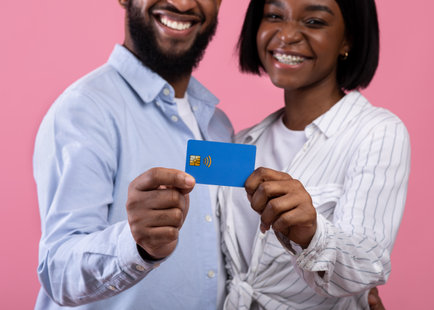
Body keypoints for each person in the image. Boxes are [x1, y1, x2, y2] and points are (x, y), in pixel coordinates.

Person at [33, 0, 232, 309]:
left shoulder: (218, 125)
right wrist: (136, 244)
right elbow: (58, 271)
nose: (182, 3)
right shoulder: (84, 110)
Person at [219, 0, 409, 309]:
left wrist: (312, 234)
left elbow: (367, 265)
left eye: (314, 22)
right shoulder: (242, 142)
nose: (288, 35)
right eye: (274, 16)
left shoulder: (377, 132)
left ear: (348, 39)